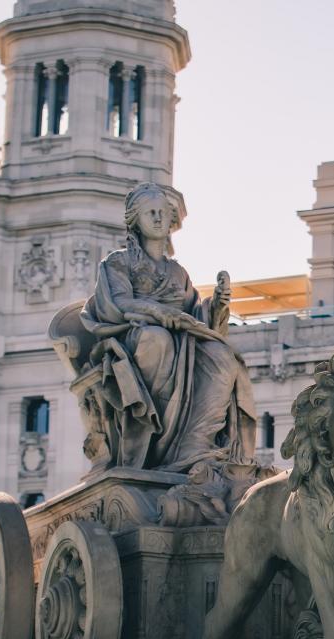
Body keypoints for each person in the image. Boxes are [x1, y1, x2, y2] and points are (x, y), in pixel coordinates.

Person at [81, 182, 256, 472]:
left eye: (163, 212)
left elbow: (196, 316)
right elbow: (118, 304)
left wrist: (218, 306)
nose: (160, 219)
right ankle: (155, 442)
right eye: (151, 213)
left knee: (221, 355)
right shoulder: (117, 263)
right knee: (157, 340)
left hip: (183, 339)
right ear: (135, 220)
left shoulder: (177, 272)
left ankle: (194, 443)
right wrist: (157, 312)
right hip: (133, 339)